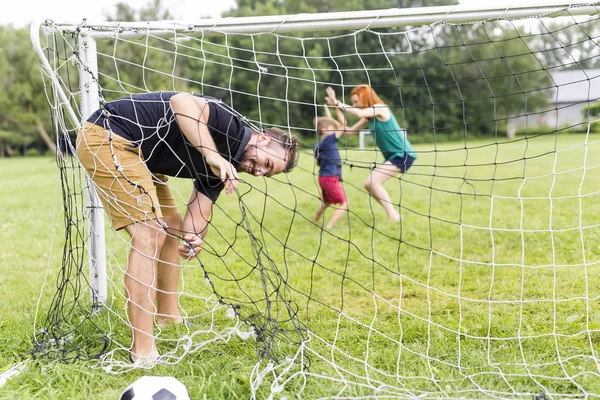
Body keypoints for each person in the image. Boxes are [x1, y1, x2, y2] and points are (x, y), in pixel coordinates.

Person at [76, 91, 300, 364]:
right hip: (110, 137)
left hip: (141, 156)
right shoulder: (227, 123)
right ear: (263, 139)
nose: (260, 172)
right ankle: (143, 350)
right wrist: (212, 155)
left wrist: (194, 237)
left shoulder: (224, 169)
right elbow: (180, 101)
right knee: (150, 233)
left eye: (267, 173)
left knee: (172, 229)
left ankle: (168, 317)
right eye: (267, 163)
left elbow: (195, 219)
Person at [324, 85, 416, 221]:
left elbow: (360, 113)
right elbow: (349, 132)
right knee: (370, 184)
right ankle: (394, 215)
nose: (355, 105)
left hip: (403, 154)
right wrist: (335, 108)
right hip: (393, 156)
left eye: (356, 101)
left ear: (365, 97)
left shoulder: (381, 109)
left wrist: (338, 102)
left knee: (372, 182)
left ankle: (394, 216)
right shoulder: (369, 118)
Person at [311, 104, 348, 229]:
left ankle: (314, 221)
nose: (335, 128)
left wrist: (327, 109)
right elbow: (343, 124)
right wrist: (336, 107)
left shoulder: (320, 144)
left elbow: (332, 123)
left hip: (323, 177)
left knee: (327, 201)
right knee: (344, 204)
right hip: (330, 177)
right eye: (333, 128)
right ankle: (330, 226)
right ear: (326, 130)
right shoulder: (329, 140)